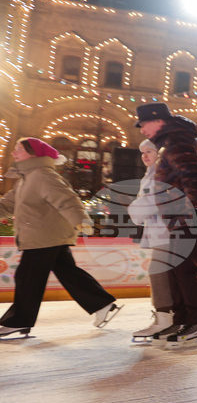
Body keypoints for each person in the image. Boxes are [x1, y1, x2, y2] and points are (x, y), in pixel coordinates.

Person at [0, 138, 122, 339]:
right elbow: (6, 205)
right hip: (46, 235)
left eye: (19, 149)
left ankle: (18, 321)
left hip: (44, 235)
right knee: (68, 273)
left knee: (28, 277)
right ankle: (102, 303)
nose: (14, 153)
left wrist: (82, 222)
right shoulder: (27, 178)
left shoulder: (43, 175)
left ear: (35, 154)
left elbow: (66, 199)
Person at [135, 103, 197, 348]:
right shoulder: (174, 140)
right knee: (176, 267)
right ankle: (182, 319)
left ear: (159, 121)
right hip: (179, 214)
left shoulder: (178, 140)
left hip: (188, 214)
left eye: (144, 124)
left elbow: (193, 175)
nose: (142, 129)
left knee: (185, 268)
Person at [128, 138, 174, 342]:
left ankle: (165, 318)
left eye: (149, 151)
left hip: (167, 230)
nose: (144, 155)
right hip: (159, 230)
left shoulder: (160, 172)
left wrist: (133, 211)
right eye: (142, 152)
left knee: (158, 271)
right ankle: (165, 316)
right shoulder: (150, 173)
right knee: (160, 272)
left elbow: (154, 200)